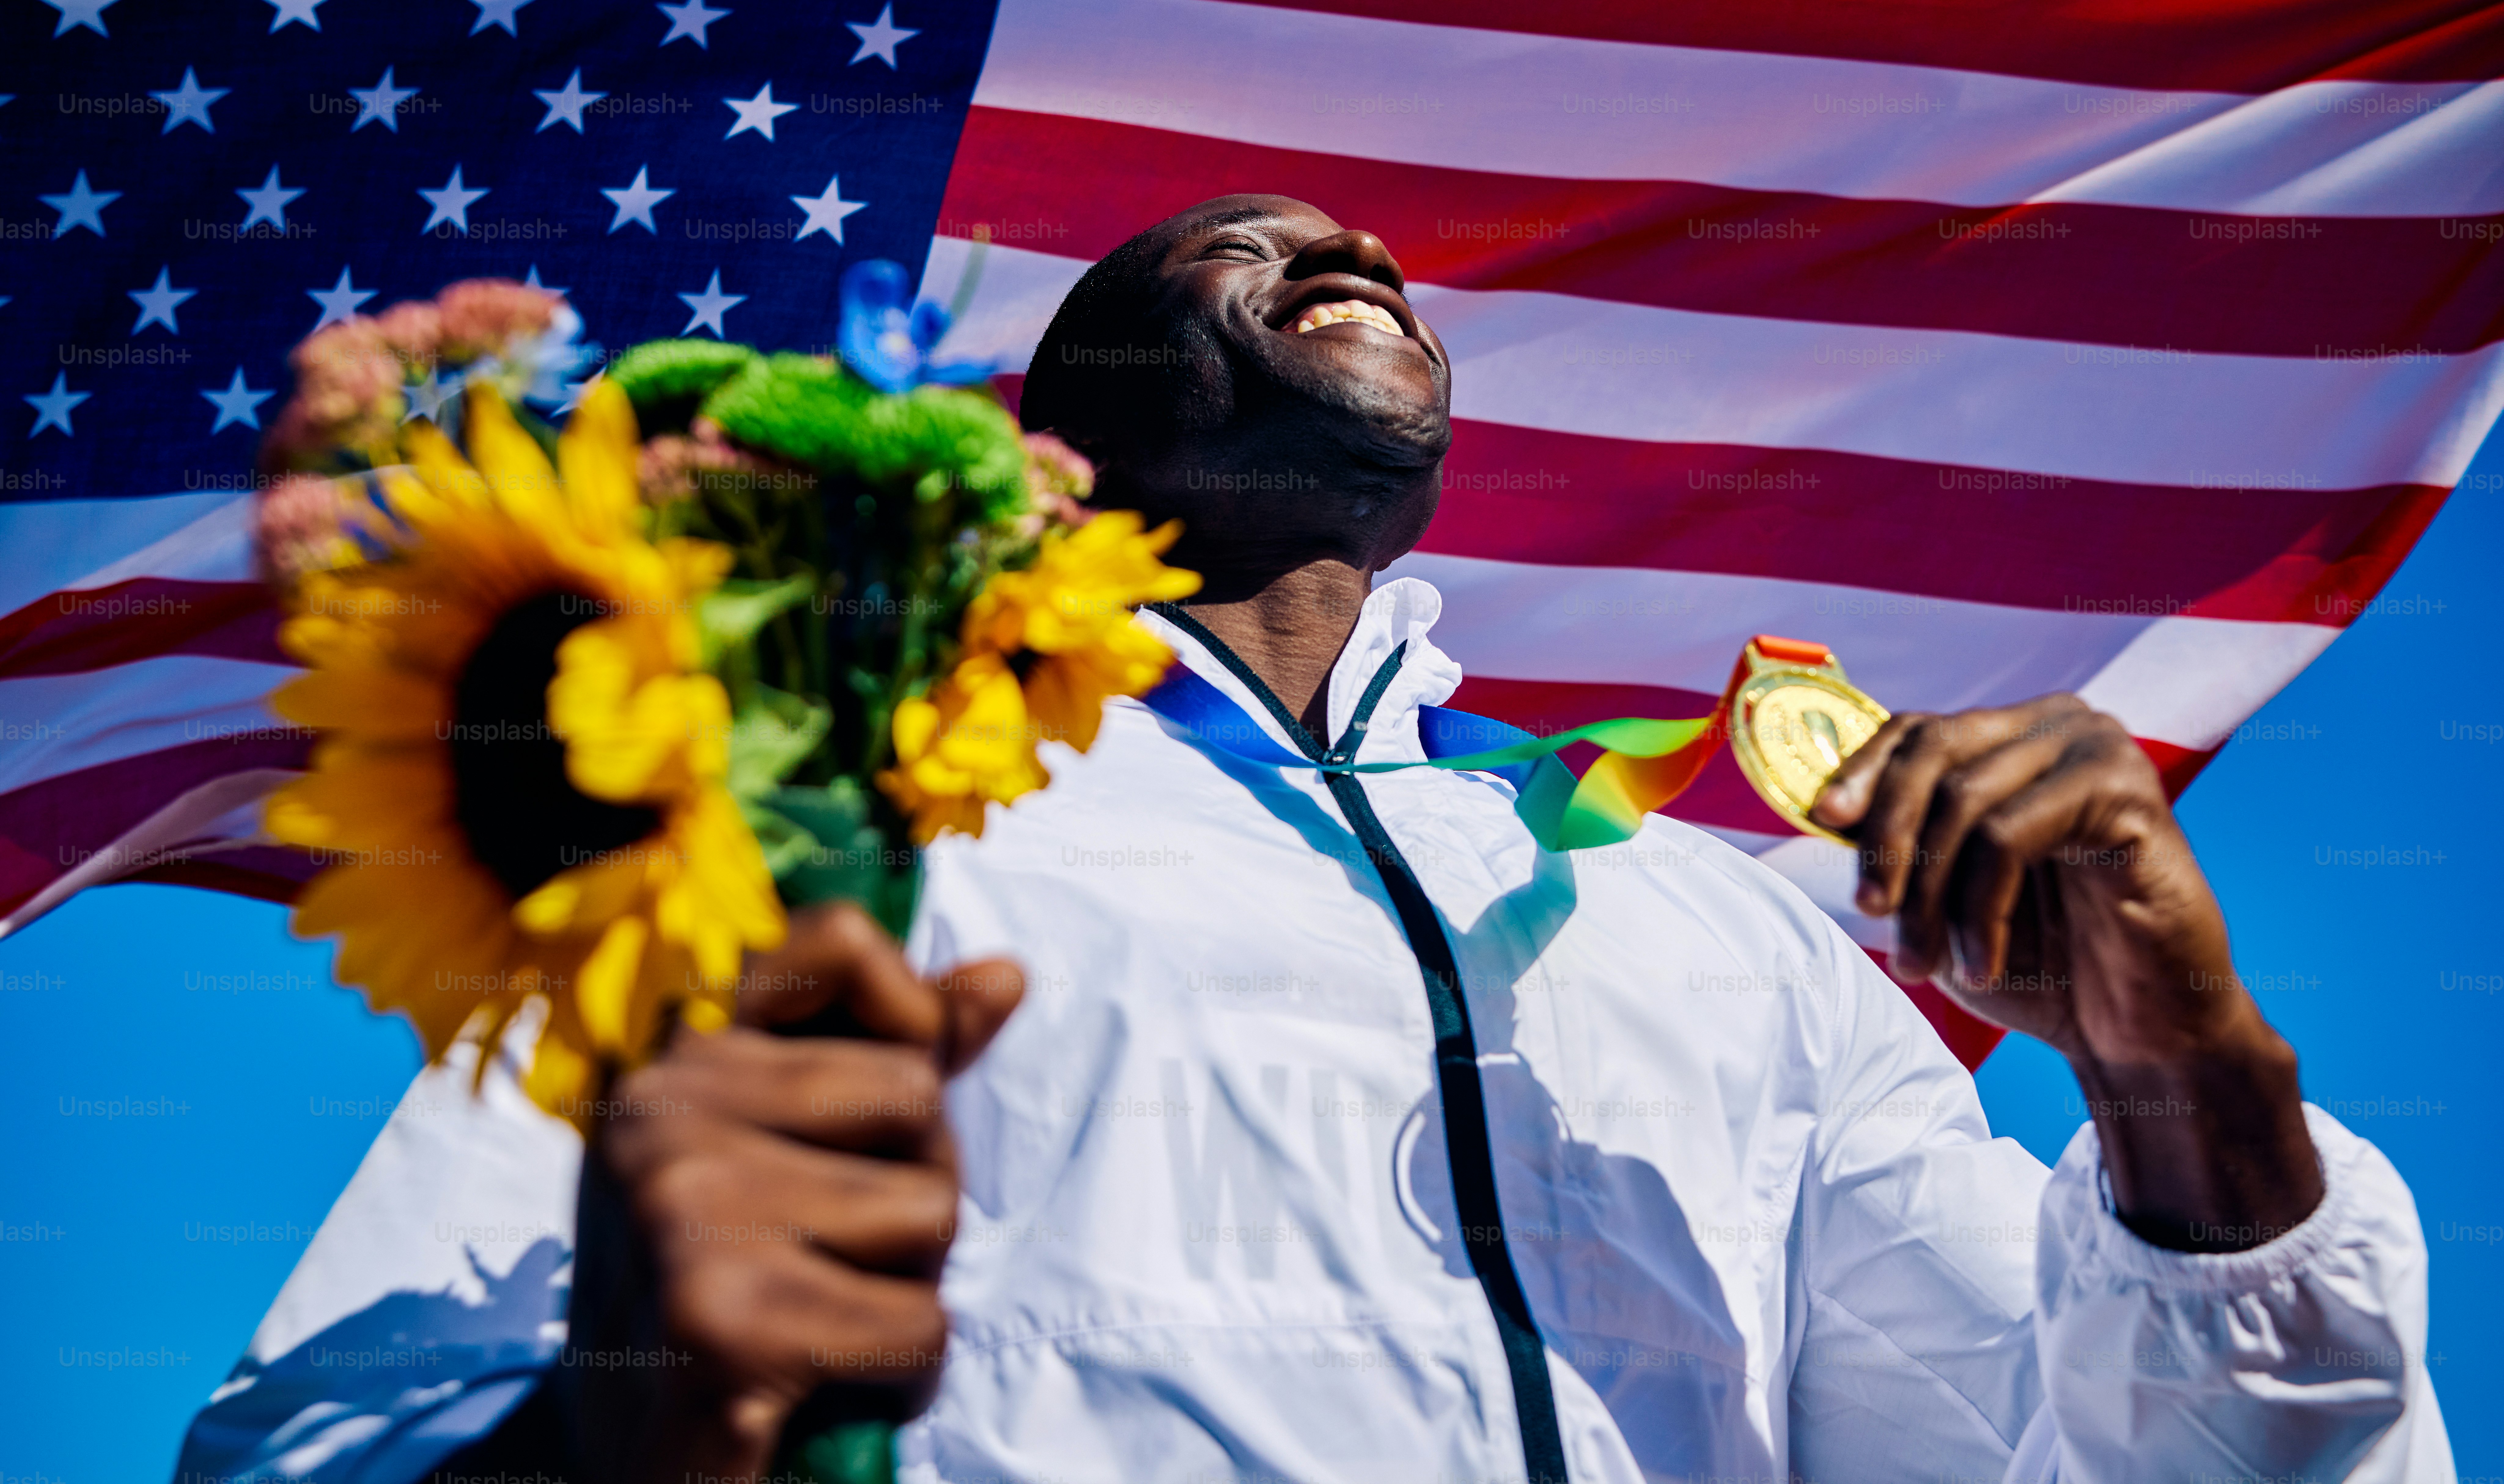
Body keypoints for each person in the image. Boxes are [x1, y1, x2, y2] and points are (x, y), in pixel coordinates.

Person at [185, 196, 2447, 1484]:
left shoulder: (1713, 929)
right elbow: (315, 1440)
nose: (1333, 234)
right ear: (1051, 439)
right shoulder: (826, 826)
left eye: (1353, 250)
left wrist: (2188, 1082)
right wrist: (629, 1423)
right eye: (1220, 251)